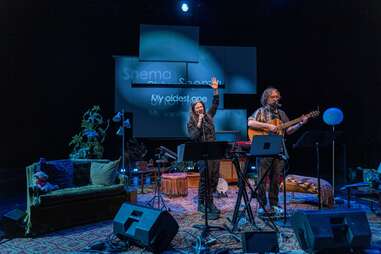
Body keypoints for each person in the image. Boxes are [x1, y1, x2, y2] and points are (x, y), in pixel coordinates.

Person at [248, 87, 308, 213]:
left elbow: (288, 130)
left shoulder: (281, 114)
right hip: (263, 149)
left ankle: (274, 204)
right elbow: (250, 123)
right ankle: (262, 205)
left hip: (278, 149)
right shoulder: (260, 111)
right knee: (261, 179)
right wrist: (268, 126)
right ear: (266, 98)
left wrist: (300, 123)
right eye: (273, 97)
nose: (276, 99)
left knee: (276, 178)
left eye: (277, 97)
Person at [187, 77, 220, 219]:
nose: (200, 108)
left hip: (213, 151)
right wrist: (199, 123)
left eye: (201, 106)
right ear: (194, 110)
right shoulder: (191, 122)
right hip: (201, 153)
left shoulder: (209, 116)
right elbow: (193, 137)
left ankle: (204, 201)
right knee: (204, 178)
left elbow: (216, 103)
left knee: (213, 177)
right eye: (197, 107)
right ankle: (207, 203)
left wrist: (215, 89)